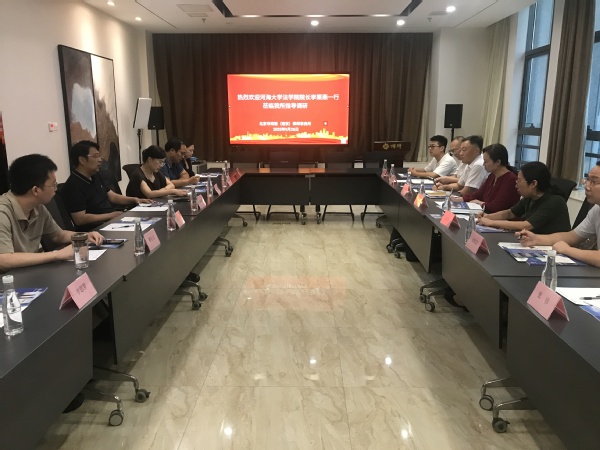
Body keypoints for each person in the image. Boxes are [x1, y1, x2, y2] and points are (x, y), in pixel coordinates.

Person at [0, 154, 103, 272]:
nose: (56, 189)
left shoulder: (38, 207)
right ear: (35, 190)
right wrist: (57, 254)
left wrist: (83, 236)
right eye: (53, 184)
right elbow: (3, 260)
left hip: (27, 272)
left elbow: (57, 235)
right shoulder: (3, 212)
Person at [519, 161, 600, 267]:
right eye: (588, 180)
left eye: (594, 182)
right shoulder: (597, 209)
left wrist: (567, 250)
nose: (587, 187)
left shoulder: (554, 201)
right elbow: (572, 236)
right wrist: (536, 239)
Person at [61, 141, 150, 231]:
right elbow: (80, 219)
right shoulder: (73, 186)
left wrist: (135, 199)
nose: (100, 160)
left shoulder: (95, 175)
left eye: (99, 156)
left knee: (146, 224)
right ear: (82, 160)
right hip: (95, 230)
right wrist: (110, 215)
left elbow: (112, 196)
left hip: (111, 222)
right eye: (95, 156)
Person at [478, 161, 571, 234]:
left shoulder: (554, 201)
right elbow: (510, 213)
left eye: (519, 181)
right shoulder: (530, 197)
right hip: (534, 241)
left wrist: (491, 222)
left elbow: (526, 225)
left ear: (533, 184)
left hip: (552, 247)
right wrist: (487, 217)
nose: (516, 185)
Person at [450, 144, 520, 213]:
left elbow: (498, 206)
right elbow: (478, 195)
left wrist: (481, 203)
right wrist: (459, 199)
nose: (483, 164)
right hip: (486, 214)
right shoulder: (492, 176)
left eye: (486, 161)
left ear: (498, 162)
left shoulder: (510, 179)